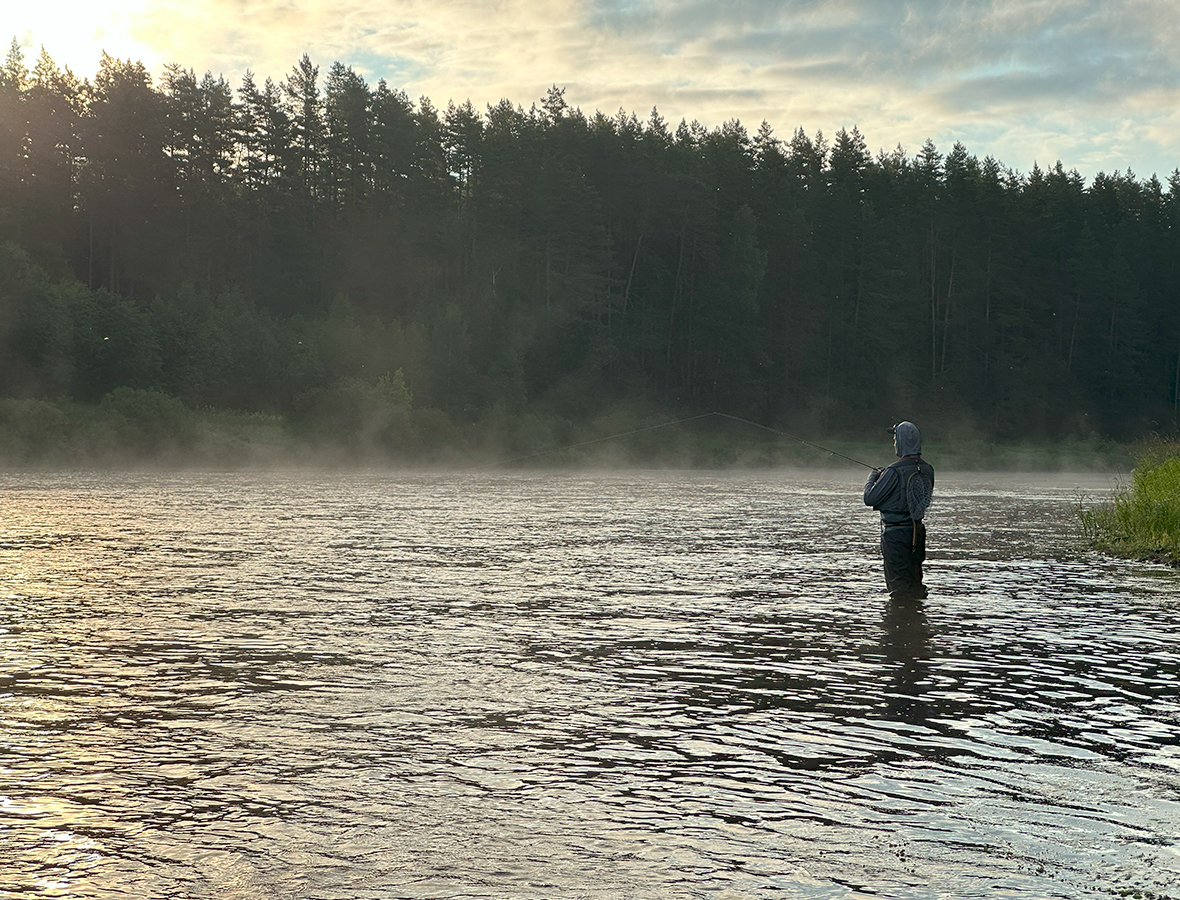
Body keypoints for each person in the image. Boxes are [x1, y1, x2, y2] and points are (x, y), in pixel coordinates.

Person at [863, 421, 935, 602]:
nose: (894, 442)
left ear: (902, 442)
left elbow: (870, 499)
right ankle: (917, 620)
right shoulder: (928, 469)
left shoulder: (893, 470)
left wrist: (873, 477)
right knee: (915, 582)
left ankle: (900, 622)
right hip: (917, 532)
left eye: (895, 438)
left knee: (898, 587)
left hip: (895, 534)